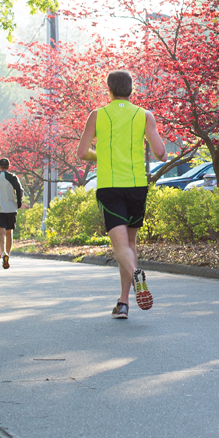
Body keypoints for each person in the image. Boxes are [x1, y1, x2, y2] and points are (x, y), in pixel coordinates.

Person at [75, 70, 168, 319]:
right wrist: (160, 151)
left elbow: (82, 152)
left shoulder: (97, 115)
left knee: (119, 247)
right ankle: (124, 302)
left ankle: (136, 275)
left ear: (109, 90)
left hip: (110, 187)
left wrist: (101, 155)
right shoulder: (144, 115)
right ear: (131, 90)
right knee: (129, 244)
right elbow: (160, 152)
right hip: (137, 186)